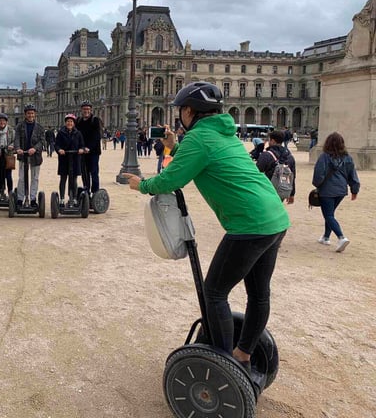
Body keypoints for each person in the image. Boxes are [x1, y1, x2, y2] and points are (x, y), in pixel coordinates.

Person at [124, 81, 290, 373]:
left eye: (181, 110)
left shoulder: (199, 139)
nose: (180, 115)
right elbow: (200, 157)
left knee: (214, 291)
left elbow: (169, 181)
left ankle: (224, 365)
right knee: (259, 293)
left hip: (248, 224)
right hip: (274, 217)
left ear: (189, 111)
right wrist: (175, 146)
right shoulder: (222, 133)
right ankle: (242, 354)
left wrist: (142, 185)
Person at [312, 132, 360, 252]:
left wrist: (317, 184)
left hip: (327, 190)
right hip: (341, 190)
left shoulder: (324, 157)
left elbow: (319, 174)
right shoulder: (348, 158)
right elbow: (352, 175)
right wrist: (354, 190)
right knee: (331, 214)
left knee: (328, 215)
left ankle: (341, 237)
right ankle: (326, 237)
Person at [14, 103, 45, 208]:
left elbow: (42, 141)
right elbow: (17, 138)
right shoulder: (19, 126)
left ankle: (32, 198)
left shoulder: (40, 127)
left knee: (35, 178)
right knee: (21, 178)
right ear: (25, 114)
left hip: (35, 157)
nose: (30, 115)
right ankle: (19, 199)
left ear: (35, 114)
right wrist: (18, 148)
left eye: (32, 113)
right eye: (28, 113)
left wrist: (34, 148)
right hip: (23, 155)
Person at [256, 130, 296, 204]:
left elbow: (256, 173)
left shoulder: (266, 155)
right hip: (282, 189)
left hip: (267, 189)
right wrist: (292, 194)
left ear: (273, 141)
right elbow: (292, 176)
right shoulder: (290, 157)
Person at [55, 114, 85, 205]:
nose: (69, 123)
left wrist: (81, 149)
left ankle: (74, 198)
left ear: (74, 123)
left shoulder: (78, 133)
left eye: (71, 121)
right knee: (63, 178)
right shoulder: (61, 133)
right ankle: (62, 198)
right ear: (65, 122)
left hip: (75, 158)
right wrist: (59, 150)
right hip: (64, 158)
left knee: (74, 179)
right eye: (68, 121)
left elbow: (82, 145)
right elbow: (56, 145)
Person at [76, 100, 103, 195]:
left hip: (94, 152)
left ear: (91, 110)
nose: (86, 111)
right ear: (81, 110)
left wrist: (89, 148)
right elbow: (76, 135)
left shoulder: (95, 120)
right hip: (83, 152)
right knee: (84, 173)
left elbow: (97, 136)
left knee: (94, 172)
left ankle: (95, 192)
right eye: (84, 109)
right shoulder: (78, 121)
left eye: (88, 109)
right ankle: (86, 190)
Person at [0, 113, 15, 200]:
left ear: (6, 122)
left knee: (8, 175)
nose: (2, 122)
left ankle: (10, 192)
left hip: (8, 155)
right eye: (0, 121)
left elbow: (15, 141)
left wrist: (12, 146)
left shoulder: (11, 130)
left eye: (3, 120)